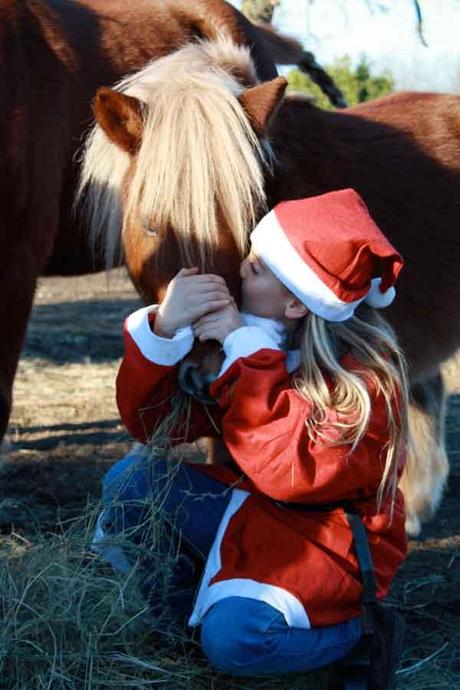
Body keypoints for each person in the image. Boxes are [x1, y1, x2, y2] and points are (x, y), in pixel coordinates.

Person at [94, 188, 409, 677]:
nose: (240, 268)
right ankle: (183, 627)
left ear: (297, 305)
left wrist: (243, 350)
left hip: (328, 540)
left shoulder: (363, 378)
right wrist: (163, 329)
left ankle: (357, 633)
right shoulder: (256, 344)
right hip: (253, 506)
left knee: (238, 641)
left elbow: (291, 474)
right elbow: (156, 425)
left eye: (258, 266)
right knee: (131, 481)